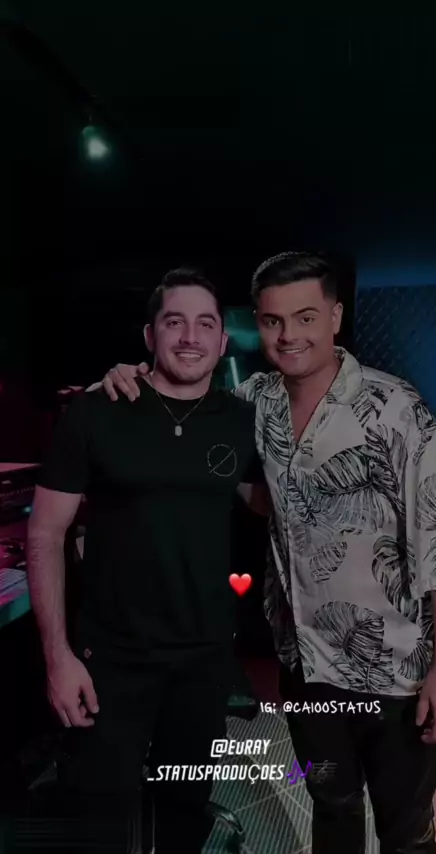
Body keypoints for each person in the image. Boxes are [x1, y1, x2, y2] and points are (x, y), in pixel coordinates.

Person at [95, 251, 436, 854]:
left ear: (335, 317)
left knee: (405, 831)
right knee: (332, 807)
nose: (288, 335)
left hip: (394, 670)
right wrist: (129, 376)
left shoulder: (397, 409)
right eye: (273, 321)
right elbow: (197, 417)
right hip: (305, 665)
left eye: (305, 317)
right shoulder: (254, 403)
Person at [27, 268, 265, 853]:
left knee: (183, 814)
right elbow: (45, 535)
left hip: (203, 663)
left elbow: (274, 505)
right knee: (96, 822)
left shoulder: (243, 421)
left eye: (205, 324)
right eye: (174, 322)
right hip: (109, 661)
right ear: (149, 336)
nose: (190, 336)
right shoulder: (97, 411)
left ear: (222, 341)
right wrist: (57, 658)